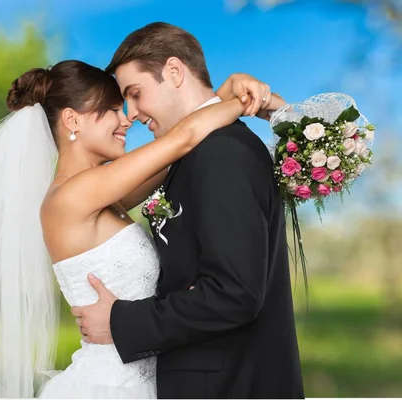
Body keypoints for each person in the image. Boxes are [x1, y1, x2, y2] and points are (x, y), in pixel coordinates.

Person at [0, 58, 282, 398]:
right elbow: (181, 140)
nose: (127, 119)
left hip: (149, 377)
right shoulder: (73, 196)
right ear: (72, 120)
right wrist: (243, 102)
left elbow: (173, 148)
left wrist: (218, 97)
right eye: (112, 110)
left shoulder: (104, 196)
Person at [72, 22, 305, 399]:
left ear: (174, 72)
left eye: (135, 93)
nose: (131, 114)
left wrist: (120, 321)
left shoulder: (221, 153)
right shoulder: (193, 153)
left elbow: (234, 293)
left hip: (230, 385)